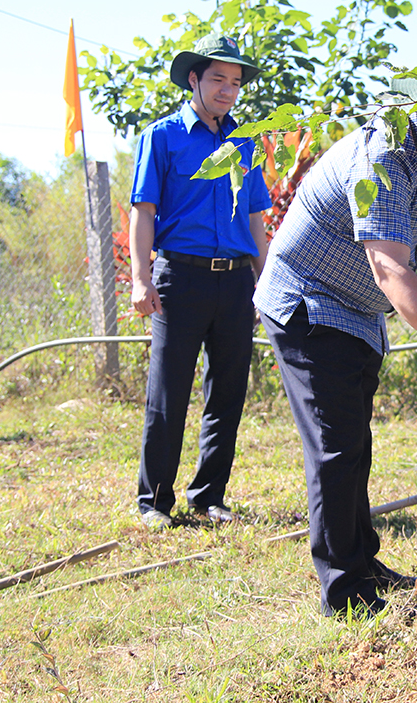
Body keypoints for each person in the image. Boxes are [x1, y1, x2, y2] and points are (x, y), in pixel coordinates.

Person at [254, 40, 417, 617]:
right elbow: (390, 266)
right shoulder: (384, 155)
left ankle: (361, 560)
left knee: (355, 439)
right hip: (308, 298)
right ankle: (343, 591)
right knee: (335, 443)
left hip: (358, 310)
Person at [130, 34, 271, 529]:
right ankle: (153, 502)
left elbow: (256, 217)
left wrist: (265, 279)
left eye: (235, 82)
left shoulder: (244, 142)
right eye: (218, 79)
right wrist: (140, 279)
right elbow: (143, 212)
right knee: (167, 392)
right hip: (177, 281)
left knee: (228, 391)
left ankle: (209, 495)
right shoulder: (163, 137)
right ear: (194, 79)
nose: (227, 90)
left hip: (234, 284)